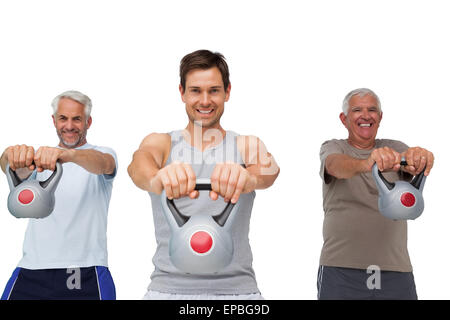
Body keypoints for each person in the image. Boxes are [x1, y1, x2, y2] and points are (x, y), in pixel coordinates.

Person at [128, 49, 280, 300]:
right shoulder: (162, 142)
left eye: (214, 90)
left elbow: (269, 171)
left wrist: (247, 178)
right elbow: (138, 165)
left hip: (237, 292)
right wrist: (158, 178)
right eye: (196, 90)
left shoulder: (246, 145)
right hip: (167, 289)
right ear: (182, 93)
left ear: (227, 92)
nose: (205, 100)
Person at [317, 88, 434, 300]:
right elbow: (335, 166)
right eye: (357, 110)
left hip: (395, 270)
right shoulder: (334, 147)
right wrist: (367, 163)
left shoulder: (394, 148)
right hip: (341, 269)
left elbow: (411, 163)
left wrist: (420, 158)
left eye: (372, 110)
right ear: (344, 119)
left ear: (380, 117)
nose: (365, 115)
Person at [0, 90, 118, 300]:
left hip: (85, 270)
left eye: (77, 119)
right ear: (54, 121)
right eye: (63, 118)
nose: (69, 126)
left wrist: (68, 155)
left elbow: (104, 163)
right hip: (32, 268)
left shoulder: (102, 153)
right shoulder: (40, 159)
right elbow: (9, 166)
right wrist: (10, 156)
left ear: (88, 122)